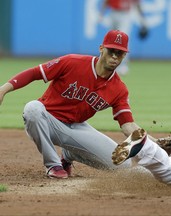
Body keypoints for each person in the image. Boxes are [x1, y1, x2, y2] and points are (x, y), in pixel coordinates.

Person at [0, 30, 146, 179]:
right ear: (101, 48)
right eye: (111, 51)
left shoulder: (119, 89)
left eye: (120, 53)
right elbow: (34, 73)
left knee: (122, 164)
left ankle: (69, 153)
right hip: (47, 121)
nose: (114, 56)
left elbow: (128, 125)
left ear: (124, 55)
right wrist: (3, 90)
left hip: (77, 128)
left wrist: (155, 143)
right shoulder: (72, 62)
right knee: (32, 109)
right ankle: (53, 165)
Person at [99, 0, 148, 75]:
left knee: (123, 40)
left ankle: (122, 66)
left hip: (125, 14)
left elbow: (137, 3)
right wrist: (101, 13)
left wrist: (142, 19)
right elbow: (106, 1)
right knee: (109, 39)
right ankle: (103, 63)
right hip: (113, 12)